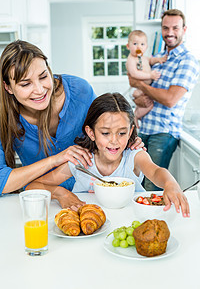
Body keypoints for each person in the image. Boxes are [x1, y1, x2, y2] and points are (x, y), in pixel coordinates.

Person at [0, 40, 143, 209]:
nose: (39, 90)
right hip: (42, 199)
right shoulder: (5, 116)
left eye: (43, 76)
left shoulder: (79, 90)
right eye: (25, 84)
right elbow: (2, 182)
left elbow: (105, 128)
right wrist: (56, 161)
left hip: (90, 196)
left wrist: (128, 139)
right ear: (8, 87)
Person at [27, 93, 190, 217]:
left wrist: (170, 184)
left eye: (121, 133)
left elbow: (155, 171)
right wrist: (61, 193)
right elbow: (33, 187)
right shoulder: (81, 161)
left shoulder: (134, 157)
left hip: (131, 222)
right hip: (90, 228)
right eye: (105, 133)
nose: (114, 141)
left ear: (131, 131)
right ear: (91, 133)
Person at [128, 9, 200, 191]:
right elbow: (135, 84)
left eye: (175, 28)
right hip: (144, 128)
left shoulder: (187, 61)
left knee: (153, 185)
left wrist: (141, 85)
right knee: (136, 183)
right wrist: (139, 98)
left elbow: (169, 99)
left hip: (163, 132)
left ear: (184, 29)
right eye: (165, 28)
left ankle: (156, 220)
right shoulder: (160, 57)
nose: (169, 33)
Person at [126, 30, 167, 128]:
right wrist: (150, 75)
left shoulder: (143, 58)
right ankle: (135, 116)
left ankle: (136, 114)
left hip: (144, 88)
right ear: (128, 46)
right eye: (135, 44)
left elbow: (151, 60)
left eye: (142, 44)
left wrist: (159, 59)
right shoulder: (131, 59)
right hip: (137, 89)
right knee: (149, 104)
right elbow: (134, 73)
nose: (139, 47)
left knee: (146, 104)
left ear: (146, 47)